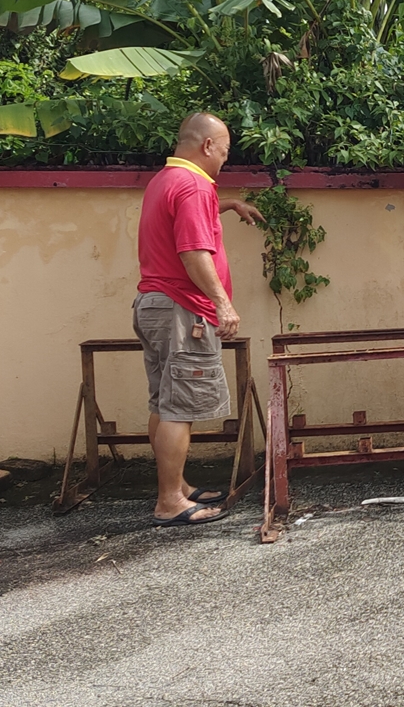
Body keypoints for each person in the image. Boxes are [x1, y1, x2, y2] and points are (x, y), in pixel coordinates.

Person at [133, 112, 264, 527]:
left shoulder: (166, 180)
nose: (225, 160)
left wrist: (228, 204)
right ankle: (170, 500)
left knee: (164, 401)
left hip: (155, 304)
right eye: (224, 151)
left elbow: (185, 219)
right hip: (181, 308)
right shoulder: (192, 185)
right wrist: (222, 303)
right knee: (179, 408)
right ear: (208, 145)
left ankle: (177, 487)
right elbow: (193, 252)